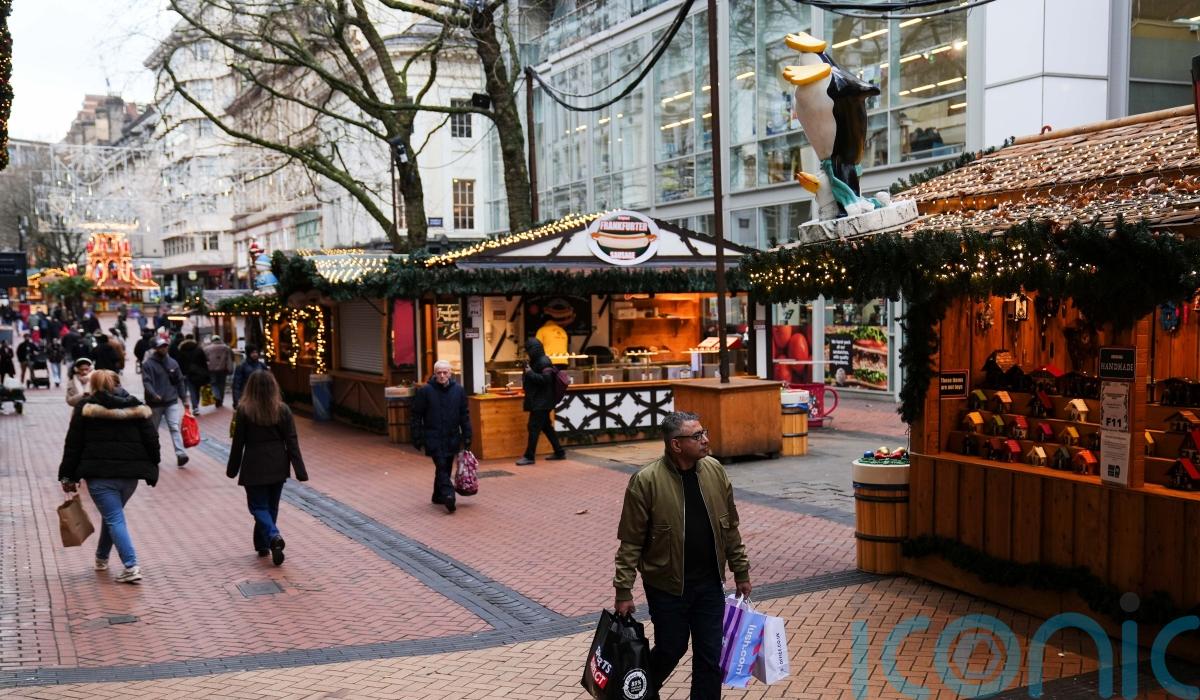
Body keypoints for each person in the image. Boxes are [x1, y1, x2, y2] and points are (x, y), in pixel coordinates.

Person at [611, 411, 752, 700]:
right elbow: (631, 542)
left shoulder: (715, 471)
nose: (706, 440)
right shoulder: (646, 481)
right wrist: (623, 590)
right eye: (697, 436)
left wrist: (741, 571)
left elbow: (730, 527)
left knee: (709, 657)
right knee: (671, 649)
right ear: (676, 444)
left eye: (704, 432)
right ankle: (634, 692)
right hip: (667, 588)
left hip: (709, 584)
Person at [58, 369, 160, 584]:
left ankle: (131, 566)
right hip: (130, 477)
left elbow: (73, 444)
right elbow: (152, 439)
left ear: (94, 385)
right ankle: (101, 558)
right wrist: (152, 466)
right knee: (113, 516)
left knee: (114, 518)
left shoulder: (85, 407)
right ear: (117, 383)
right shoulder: (136, 406)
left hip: (99, 475)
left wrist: (67, 475)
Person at [226, 371, 307, 564]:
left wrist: (232, 468)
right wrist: (300, 470)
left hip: (254, 463)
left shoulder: (244, 411)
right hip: (278, 463)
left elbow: (238, 443)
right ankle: (264, 544)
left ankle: (273, 536)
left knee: (258, 507)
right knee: (271, 506)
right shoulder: (282, 410)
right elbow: (292, 441)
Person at [410, 360, 471, 514]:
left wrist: (467, 435)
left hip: (452, 436)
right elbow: (416, 415)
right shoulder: (425, 391)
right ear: (435, 374)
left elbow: (464, 415)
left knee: (446, 466)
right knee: (442, 465)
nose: (442, 375)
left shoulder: (458, 391)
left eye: (445, 372)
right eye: (439, 373)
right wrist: (416, 435)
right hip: (433, 436)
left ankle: (437, 496)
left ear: (450, 373)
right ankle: (449, 495)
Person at [515, 338, 565, 466]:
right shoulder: (537, 360)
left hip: (542, 401)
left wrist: (530, 373)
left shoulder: (544, 361)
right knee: (546, 426)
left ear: (534, 350)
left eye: (528, 350)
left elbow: (546, 380)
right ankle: (559, 452)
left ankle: (529, 456)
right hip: (541, 400)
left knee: (533, 427)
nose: (527, 353)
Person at [142, 337, 190, 467]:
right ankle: (153, 455)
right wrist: (153, 394)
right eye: (161, 346)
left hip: (171, 400)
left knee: (174, 427)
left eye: (165, 346)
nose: (164, 348)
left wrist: (184, 398)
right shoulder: (148, 364)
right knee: (154, 431)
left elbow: (180, 381)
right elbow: (146, 382)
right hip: (155, 403)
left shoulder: (173, 363)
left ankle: (181, 454)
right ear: (155, 348)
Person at [177, 334, 210, 412]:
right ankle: (196, 405)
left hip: (188, 373)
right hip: (199, 373)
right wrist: (206, 372)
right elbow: (204, 361)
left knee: (192, 390)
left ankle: (195, 407)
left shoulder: (182, 350)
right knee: (197, 389)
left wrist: (182, 372)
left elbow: (180, 362)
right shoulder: (198, 349)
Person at [232, 344, 268, 408]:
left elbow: (268, 380)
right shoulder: (242, 366)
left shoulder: (262, 365)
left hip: (260, 394)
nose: (255, 354)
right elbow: (236, 383)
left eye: (256, 352)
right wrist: (236, 400)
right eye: (253, 352)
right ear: (248, 354)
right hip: (247, 394)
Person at [204, 334, 234, 408]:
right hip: (223, 369)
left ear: (212, 340)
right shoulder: (226, 347)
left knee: (214, 383)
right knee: (222, 384)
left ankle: (217, 396)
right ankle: (220, 400)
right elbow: (232, 357)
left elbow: (204, 358)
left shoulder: (207, 348)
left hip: (211, 369)